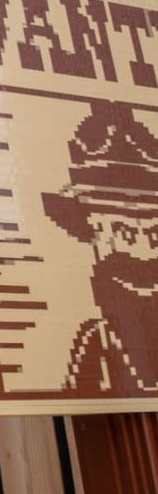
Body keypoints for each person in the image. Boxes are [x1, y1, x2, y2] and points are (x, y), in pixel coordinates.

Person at [41, 100, 158, 395]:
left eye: (154, 234)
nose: (141, 252)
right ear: (94, 235)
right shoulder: (96, 343)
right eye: (121, 231)